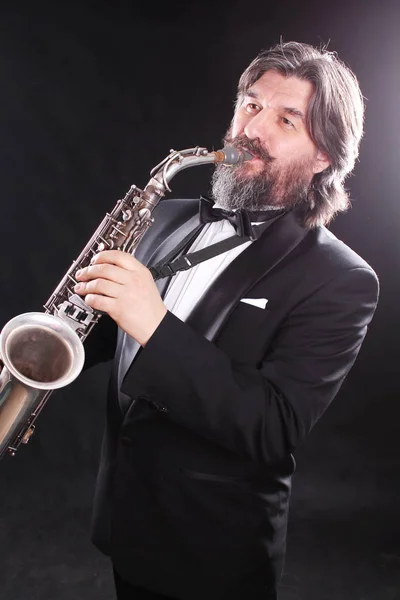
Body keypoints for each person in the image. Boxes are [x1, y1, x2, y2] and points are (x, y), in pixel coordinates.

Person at [73, 41, 379, 600]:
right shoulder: (164, 217)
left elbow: (272, 425)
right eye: (251, 104)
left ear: (324, 156)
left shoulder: (342, 279)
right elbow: (104, 336)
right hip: (126, 517)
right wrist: (51, 337)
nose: (252, 129)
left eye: (286, 119)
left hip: (213, 546)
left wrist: (153, 322)